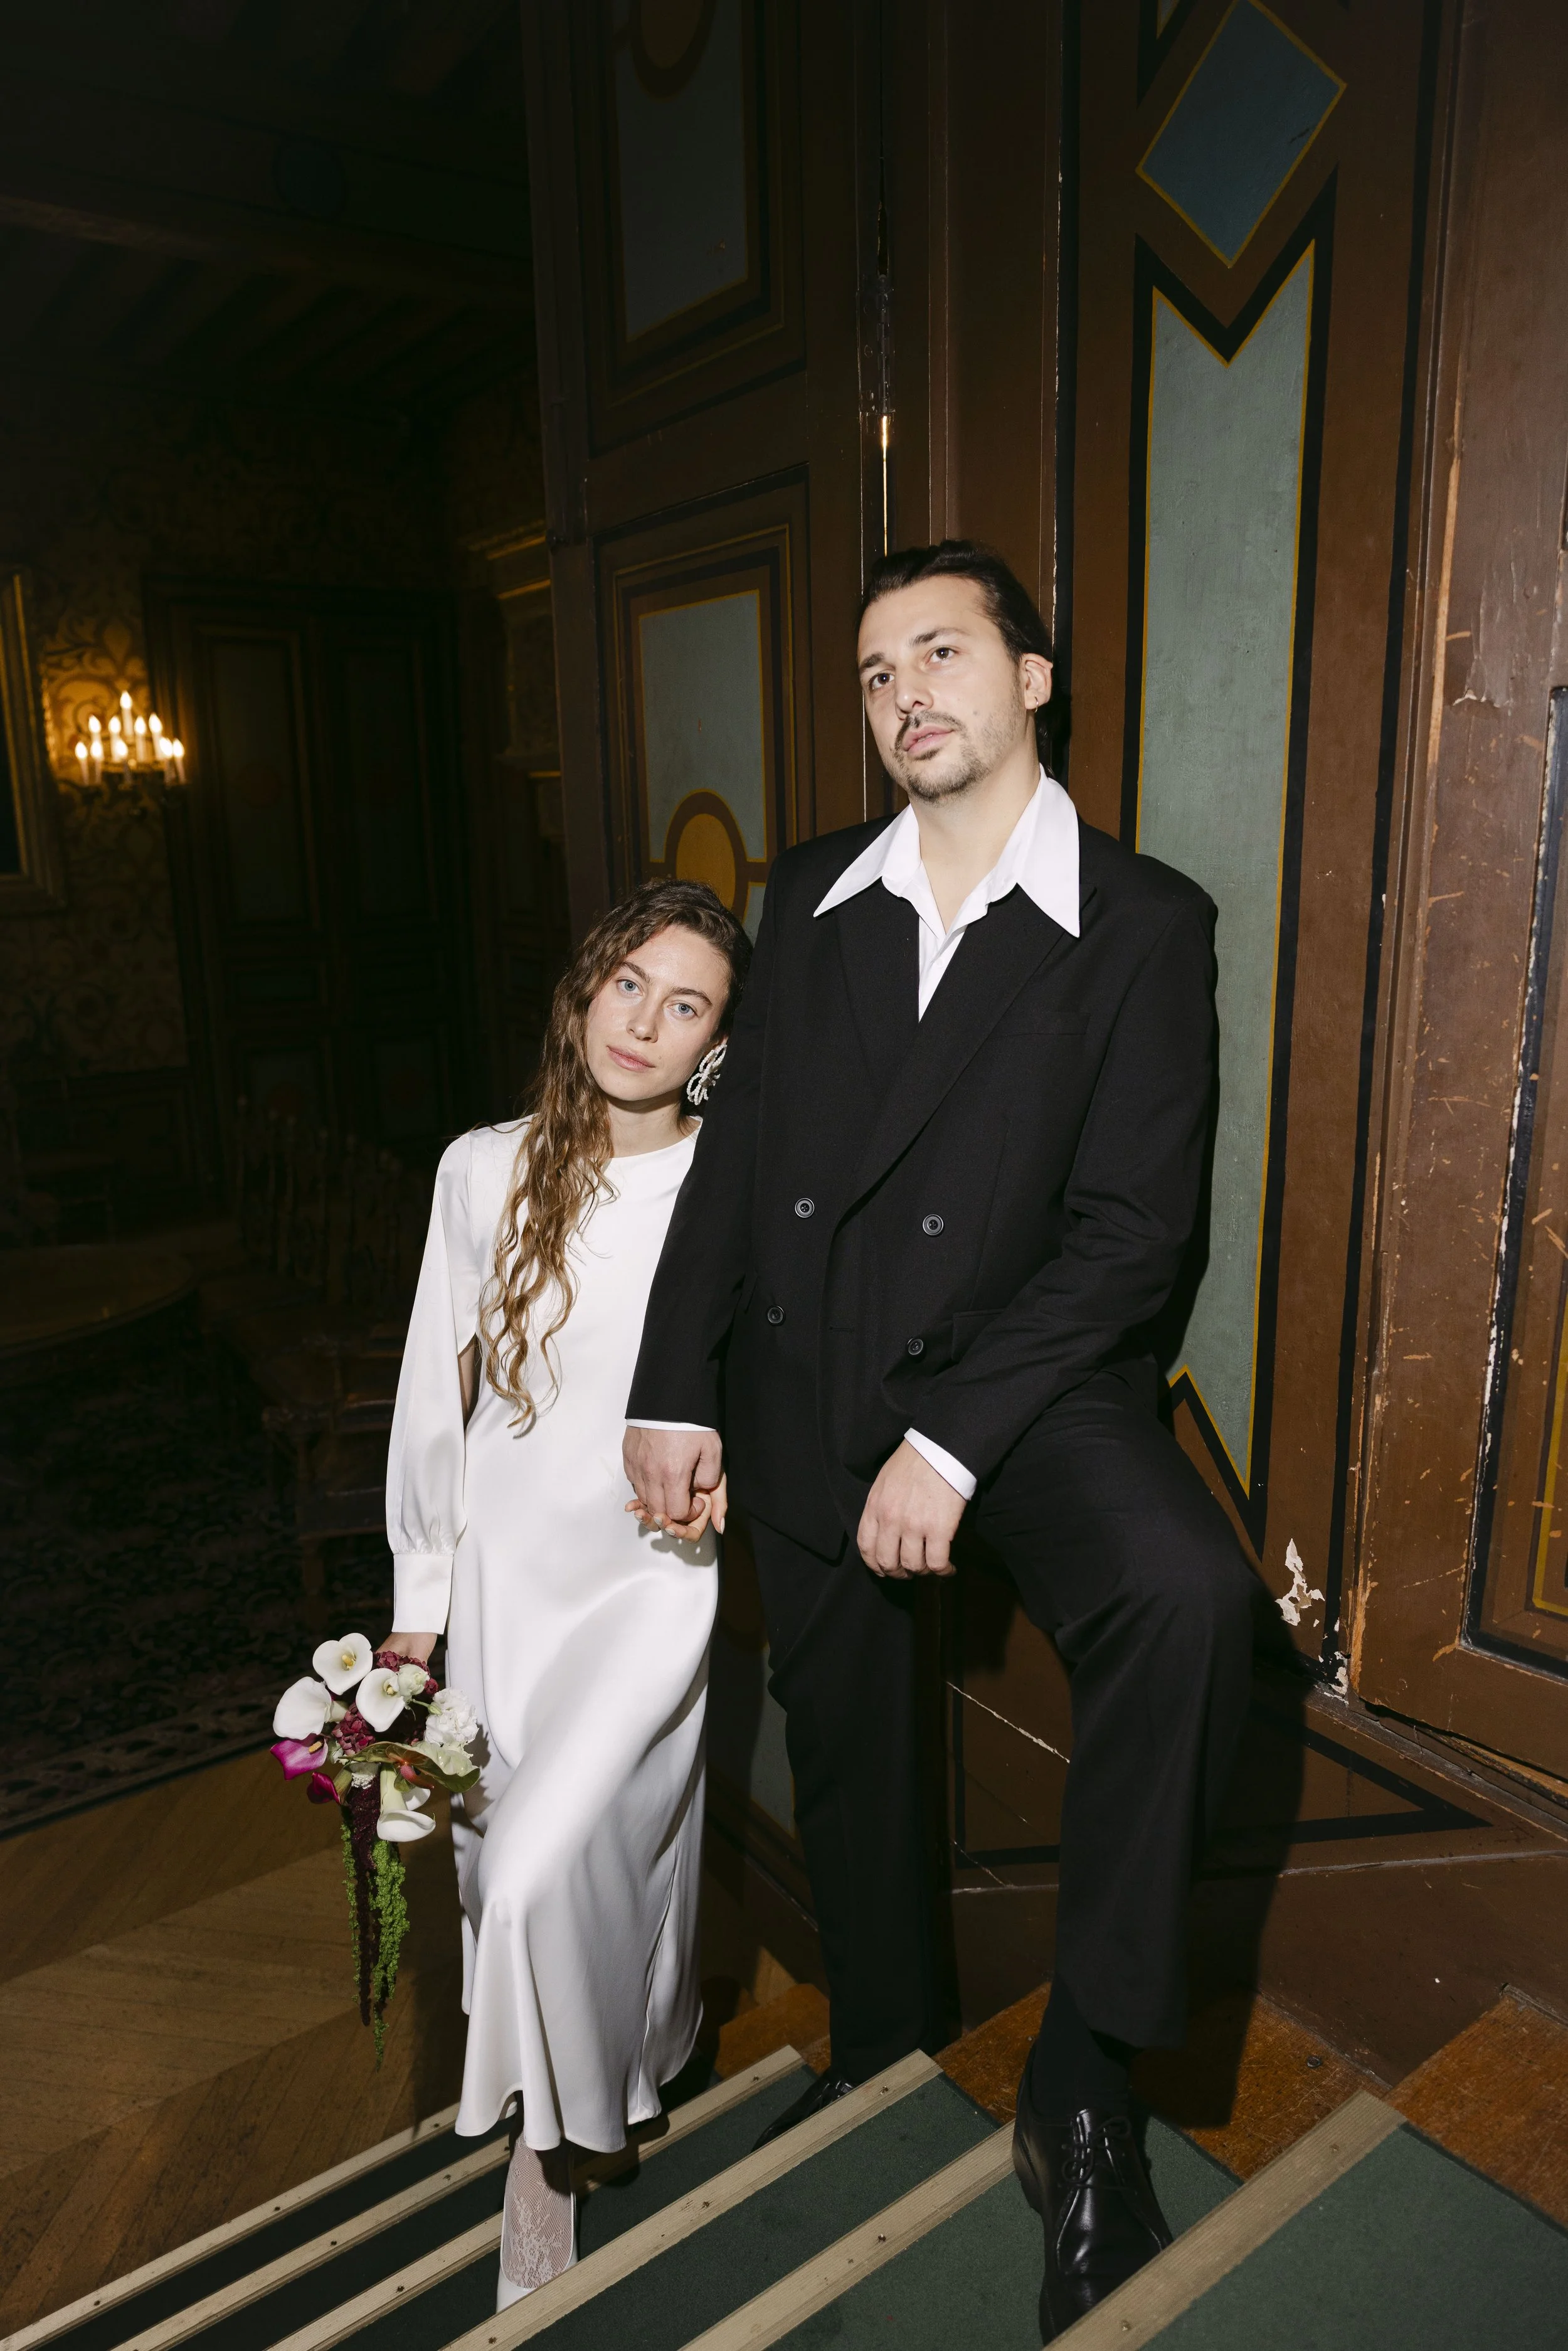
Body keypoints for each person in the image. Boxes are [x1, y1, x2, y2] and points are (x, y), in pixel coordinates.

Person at [623, 541, 1258, 2342]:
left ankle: (1081, 2076)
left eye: (941, 651)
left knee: (1188, 1601)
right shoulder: (814, 888)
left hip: (1029, 1384)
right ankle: (886, 2049)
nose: (904, 691)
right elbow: (738, 1170)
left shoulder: (1142, 920)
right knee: (852, 1750)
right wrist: (672, 1382)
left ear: (1031, 676)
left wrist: (959, 1439)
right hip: (812, 1371)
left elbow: (1135, 1234)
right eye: (873, 670)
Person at [380, 879, 749, 2313]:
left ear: (719, 1038)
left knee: (560, 1860)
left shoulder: (729, 1182)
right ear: (582, 988)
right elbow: (436, 1396)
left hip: (647, 1583)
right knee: (517, 1869)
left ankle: (555, 2146)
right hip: (502, 1584)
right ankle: (638, 2041)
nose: (645, 1023)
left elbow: (767, 1378)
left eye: (688, 1003)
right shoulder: (483, 1169)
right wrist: (420, 1599)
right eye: (628, 985)